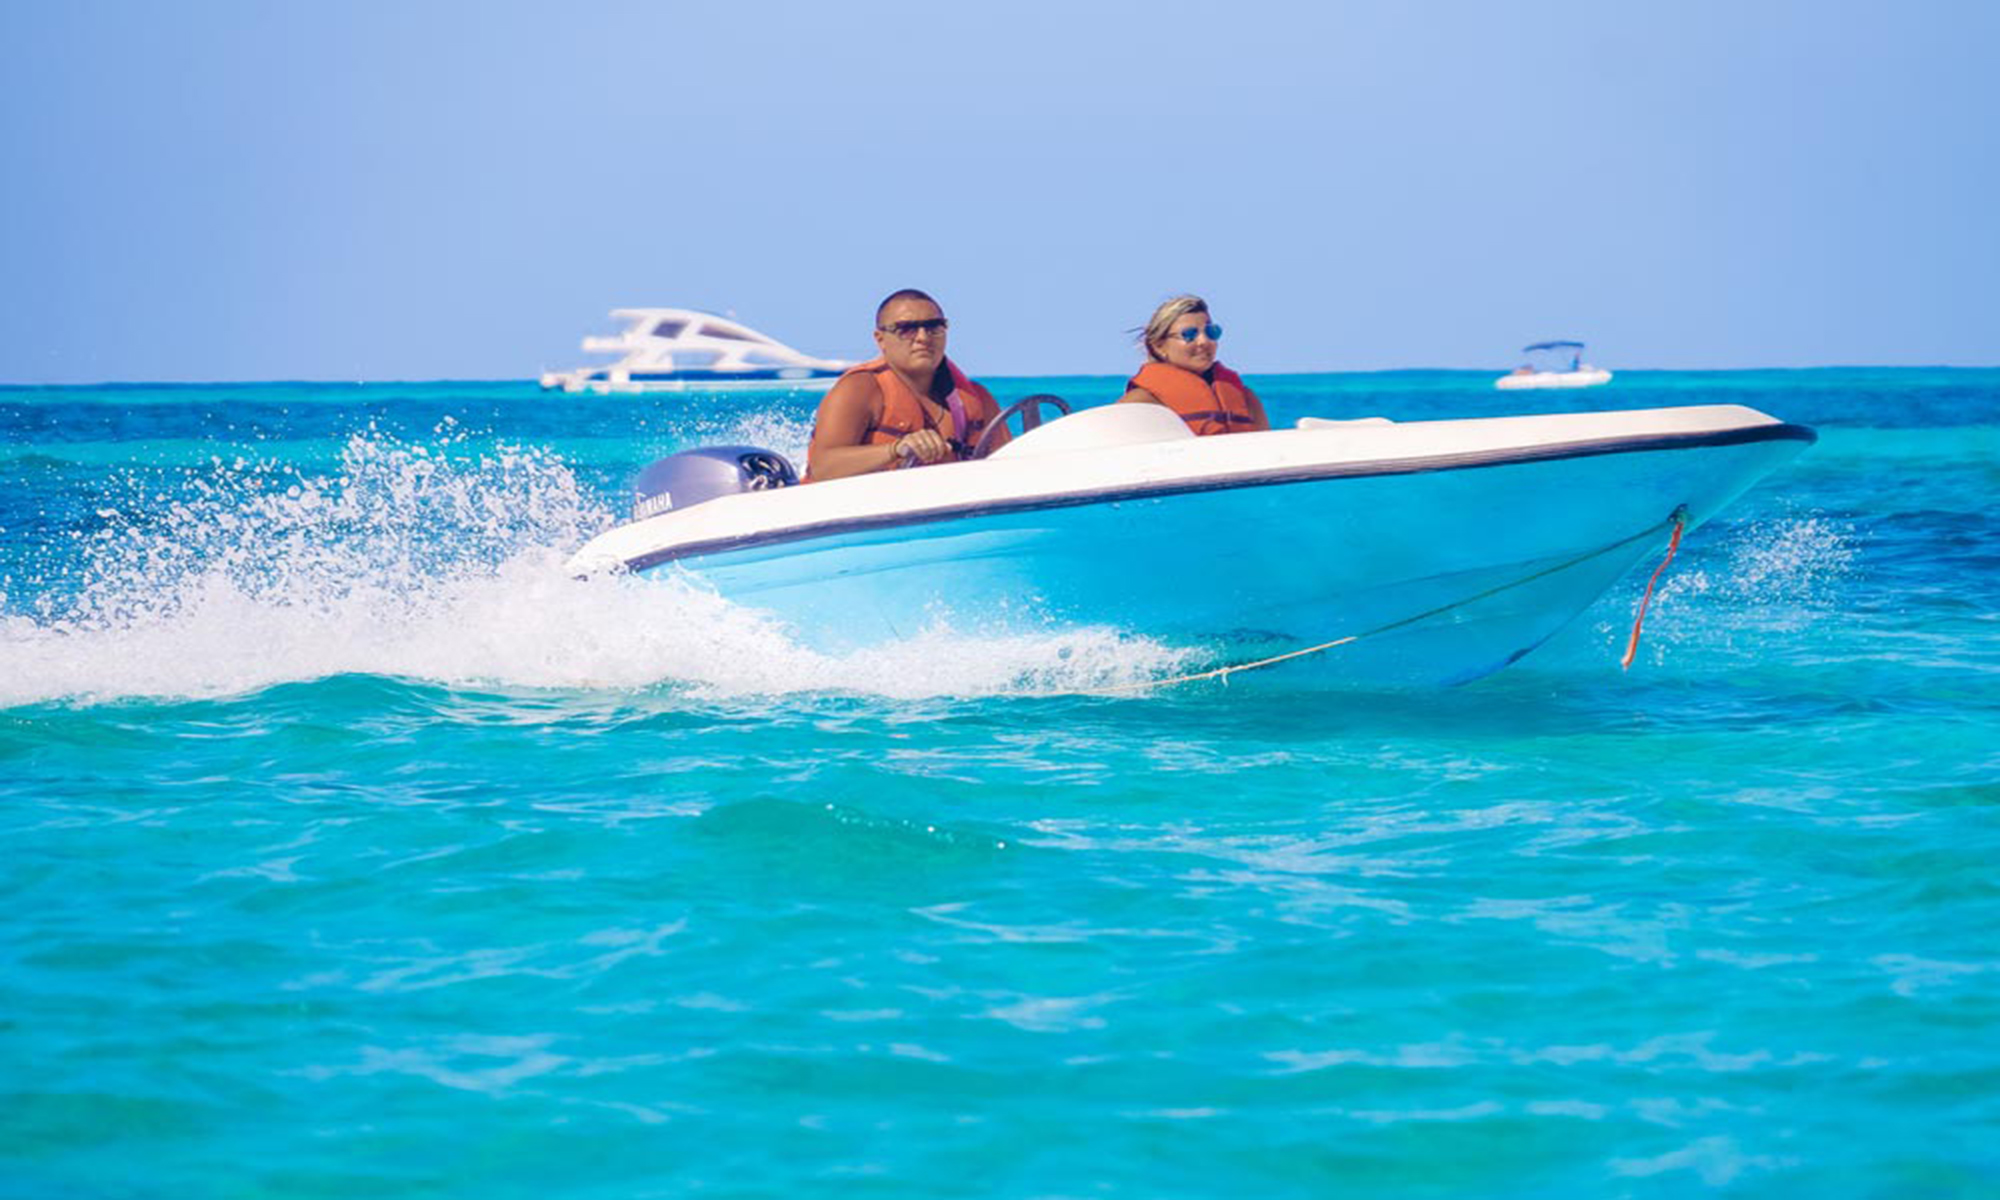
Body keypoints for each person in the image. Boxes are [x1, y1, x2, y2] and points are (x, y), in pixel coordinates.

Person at [804, 289, 1006, 481]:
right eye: (906, 329)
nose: (922, 338)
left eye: (933, 327)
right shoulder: (859, 389)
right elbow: (822, 467)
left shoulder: (977, 398)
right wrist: (896, 449)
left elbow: (1007, 464)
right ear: (880, 339)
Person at [1116, 295, 1271, 436]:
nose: (1204, 342)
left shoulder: (1245, 398)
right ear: (1159, 346)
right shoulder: (1140, 402)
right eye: (1189, 335)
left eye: (1211, 332)